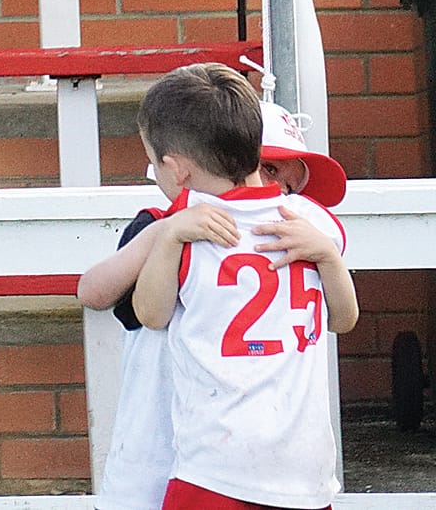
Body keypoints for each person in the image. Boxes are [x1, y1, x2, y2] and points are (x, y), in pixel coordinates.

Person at [79, 95, 349, 510]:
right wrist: (168, 232)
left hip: (258, 464)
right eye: (269, 172)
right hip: (164, 457)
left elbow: (344, 316)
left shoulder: (306, 231)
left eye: (293, 187)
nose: (281, 194)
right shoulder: (165, 225)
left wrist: (327, 254)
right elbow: (112, 299)